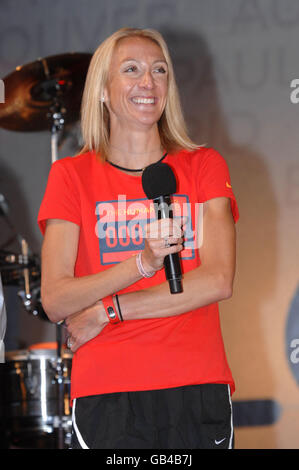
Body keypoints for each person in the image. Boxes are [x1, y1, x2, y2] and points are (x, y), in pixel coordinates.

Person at [38, 27, 239, 449]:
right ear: (103, 91)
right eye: (131, 70)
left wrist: (109, 311)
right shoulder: (70, 176)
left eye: (159, 70)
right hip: (108, 392)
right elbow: (56, 299)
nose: (148, 82)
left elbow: (217, 279)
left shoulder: (203, 165)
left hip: (195, 384)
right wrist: (142, 264)